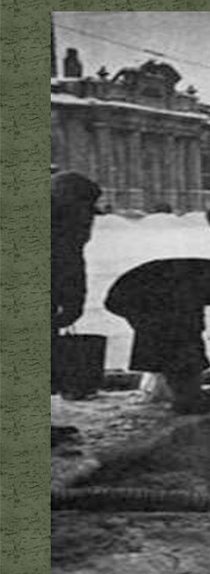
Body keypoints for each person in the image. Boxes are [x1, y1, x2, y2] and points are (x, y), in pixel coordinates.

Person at [104, 258, 210, 414]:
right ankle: (187, 399)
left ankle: (180, 394)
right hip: (142, 291)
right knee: (183, 342)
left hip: (133, 291)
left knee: (169, 338)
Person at [51, 170, 102, 444]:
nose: (90, 218)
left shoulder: (69, 228)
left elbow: (72, 267)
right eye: (87, 209)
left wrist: (73, 304)